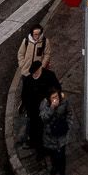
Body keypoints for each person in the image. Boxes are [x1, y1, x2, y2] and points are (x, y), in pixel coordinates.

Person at [17, 24, 58, 152]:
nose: (36, 36)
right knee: (26, 88)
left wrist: (43, 66)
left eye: (38, 34)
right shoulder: (26, 41)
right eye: (35, 34)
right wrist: (22, 64)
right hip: (26, 71)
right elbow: (20, 54)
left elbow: (47, 54)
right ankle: (24, 103)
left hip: (38, 71)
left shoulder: (45, 42)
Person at [40, 88, 72, 175]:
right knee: (52, 154)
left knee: (61, 155)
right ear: (49, 98)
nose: (55, 99)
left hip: (61, 134)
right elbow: (44, 118)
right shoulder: (45, 104)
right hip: (50, 135)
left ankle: (62, 174)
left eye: (56, 96)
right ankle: (54, 167)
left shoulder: (64, 102)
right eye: (53, 97)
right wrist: (52, 108)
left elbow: (69, 113)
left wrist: (68, 125)